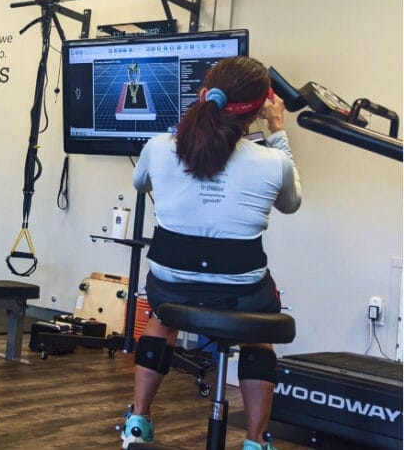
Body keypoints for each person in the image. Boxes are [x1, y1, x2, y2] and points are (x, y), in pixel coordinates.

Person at [121, 56, 302, 450]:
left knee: (160, 321)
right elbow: (291, 204)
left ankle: (138, 420)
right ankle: (256, 441)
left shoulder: (159, 147)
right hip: (242, 293)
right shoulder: (274, 162)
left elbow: (140, 183)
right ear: (260, 108)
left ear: (205, 94)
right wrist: (277, 130)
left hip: (171, 285)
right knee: (258, 337)